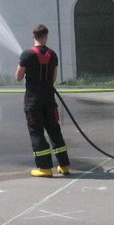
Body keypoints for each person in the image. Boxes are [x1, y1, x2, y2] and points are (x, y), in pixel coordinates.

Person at [15, 24, 70, 177]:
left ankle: (44, 168)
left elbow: (18, 77)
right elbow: (53, 78)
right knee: (55, 131)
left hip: (33, 102)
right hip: (49, 100)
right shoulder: (53, 55)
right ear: (46, 37)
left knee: (37, 133)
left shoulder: (26, 55)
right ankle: (63, 165)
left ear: (33, 36)